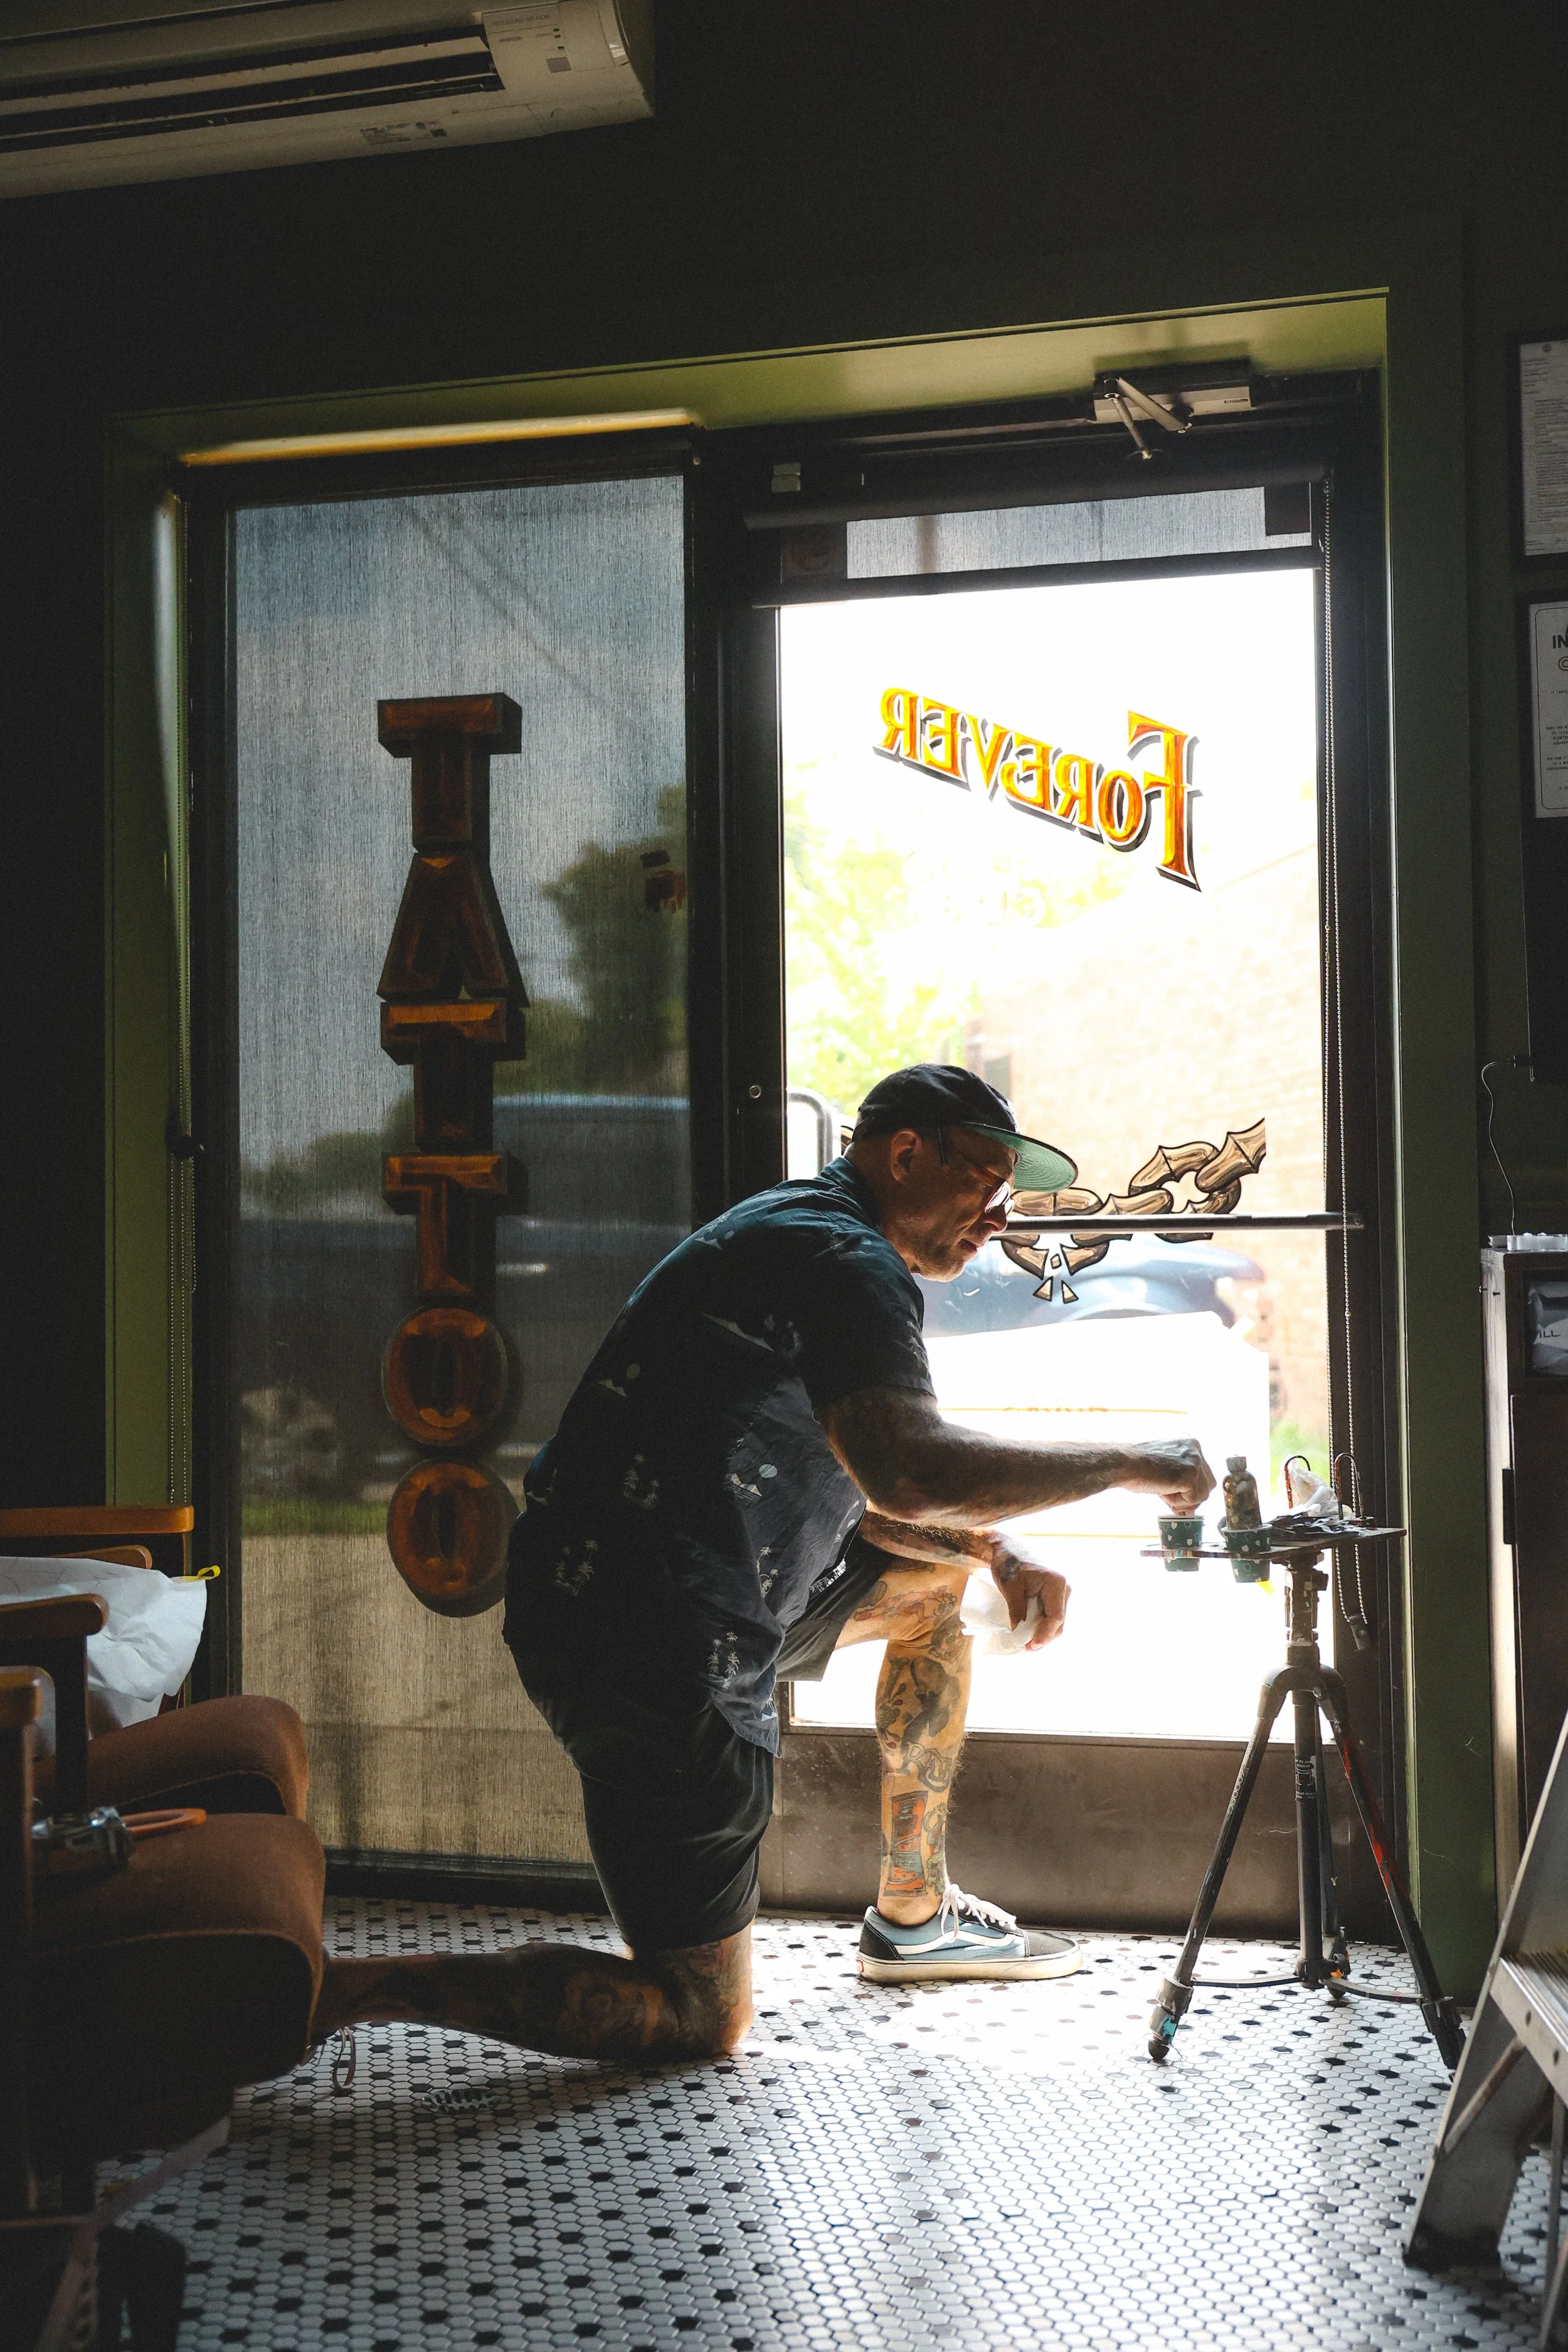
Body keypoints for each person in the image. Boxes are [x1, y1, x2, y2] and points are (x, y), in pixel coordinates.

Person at [312, 1065, 1213, 2065]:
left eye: (1009, 1192)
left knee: (929, 1592)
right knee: (699, 2013)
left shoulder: (804, 1231)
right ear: (904, 1152)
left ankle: (912, 1910)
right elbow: (909, 1469)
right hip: (657, 1642)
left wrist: (994, 1543)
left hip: (637, 1590)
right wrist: (1137, 1459)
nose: (999, 1215)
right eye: (983, 1179)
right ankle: (343, 1987)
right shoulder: (843, 1258)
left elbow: (864, 1485)